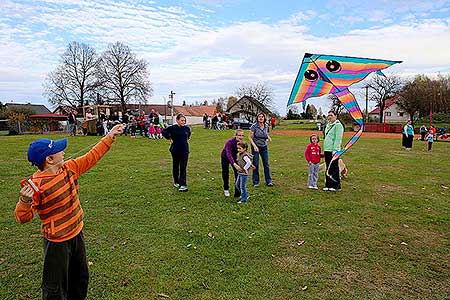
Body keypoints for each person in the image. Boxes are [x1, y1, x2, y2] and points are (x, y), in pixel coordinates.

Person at [14, 124, 124, 300]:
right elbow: (22, 218)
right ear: (49, 159)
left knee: (80, 277)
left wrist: (110, 136)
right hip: (56, 243)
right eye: (59, 150)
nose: (63, 151)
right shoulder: (36, 186)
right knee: (55, 286)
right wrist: (24, 201)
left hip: (77, 233)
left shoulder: (69, 168)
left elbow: (92, 156)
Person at [162, 113, 191, 192]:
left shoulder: (187, 128)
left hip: (184, 150)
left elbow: (188, 136)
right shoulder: (173, 128)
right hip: (175, 150)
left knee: (183, 167)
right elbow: (164, 132)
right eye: (181, 120)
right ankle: (176, 181)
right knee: (176, 166)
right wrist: (169, 138)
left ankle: (183, 184)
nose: (183, 122)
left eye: (184, 120)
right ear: (177, 120)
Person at [249, 112, 273, 187]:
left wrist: (268, 137)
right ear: (257, 118)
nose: (261, 118)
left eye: (262, 116)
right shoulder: (254, 126)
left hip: (264, 147)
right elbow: (250, 137)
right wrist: (254, 146)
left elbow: (266, 134)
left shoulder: (266, 126)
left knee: (266, 164)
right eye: (259, 116)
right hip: (255, 147)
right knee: (256, 164)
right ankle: (256, 182)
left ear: (264, 118)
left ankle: (268, 181)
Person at [323, 110, 344, 191]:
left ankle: (335, 185)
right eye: (328, 115)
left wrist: (335, 150)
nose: (329, 117)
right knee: (328, 167)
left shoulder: (338, 125)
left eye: (331, 115)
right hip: (327, 149)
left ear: (336, 116)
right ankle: (328, 185)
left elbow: (338, 139)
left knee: (334, 167)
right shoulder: (328, 125)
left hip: (333, 150)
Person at [221, 129, 244, 197]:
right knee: (225, 173)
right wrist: (234, 164)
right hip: (225, 157)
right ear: (235, 135)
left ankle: (237, 192)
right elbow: (228, 154)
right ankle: (226, 189)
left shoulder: (242, 143)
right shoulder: (229, 142)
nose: (241, 137)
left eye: (242, 135)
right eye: (239, 135)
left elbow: (243, 152)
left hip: (235, 157)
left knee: (238, 173)